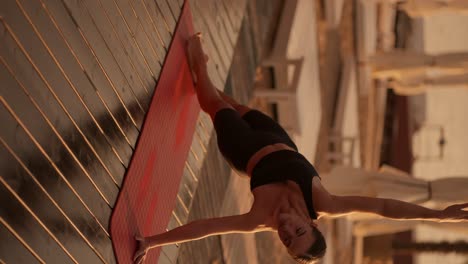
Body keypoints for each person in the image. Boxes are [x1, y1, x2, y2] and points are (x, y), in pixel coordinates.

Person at [133, 33, 468, 264]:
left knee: (210, 100)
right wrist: (436, 214)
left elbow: (205, 228)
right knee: (231, 103)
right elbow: (381, 205)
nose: (286, 229)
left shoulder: (258, 219)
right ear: (313, 224)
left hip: (242, 148)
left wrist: (151, 242)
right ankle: (202, 75)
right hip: (275, 135)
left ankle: (199, 62)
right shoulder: (324, 203)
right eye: (298, 231)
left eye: (287, 240)